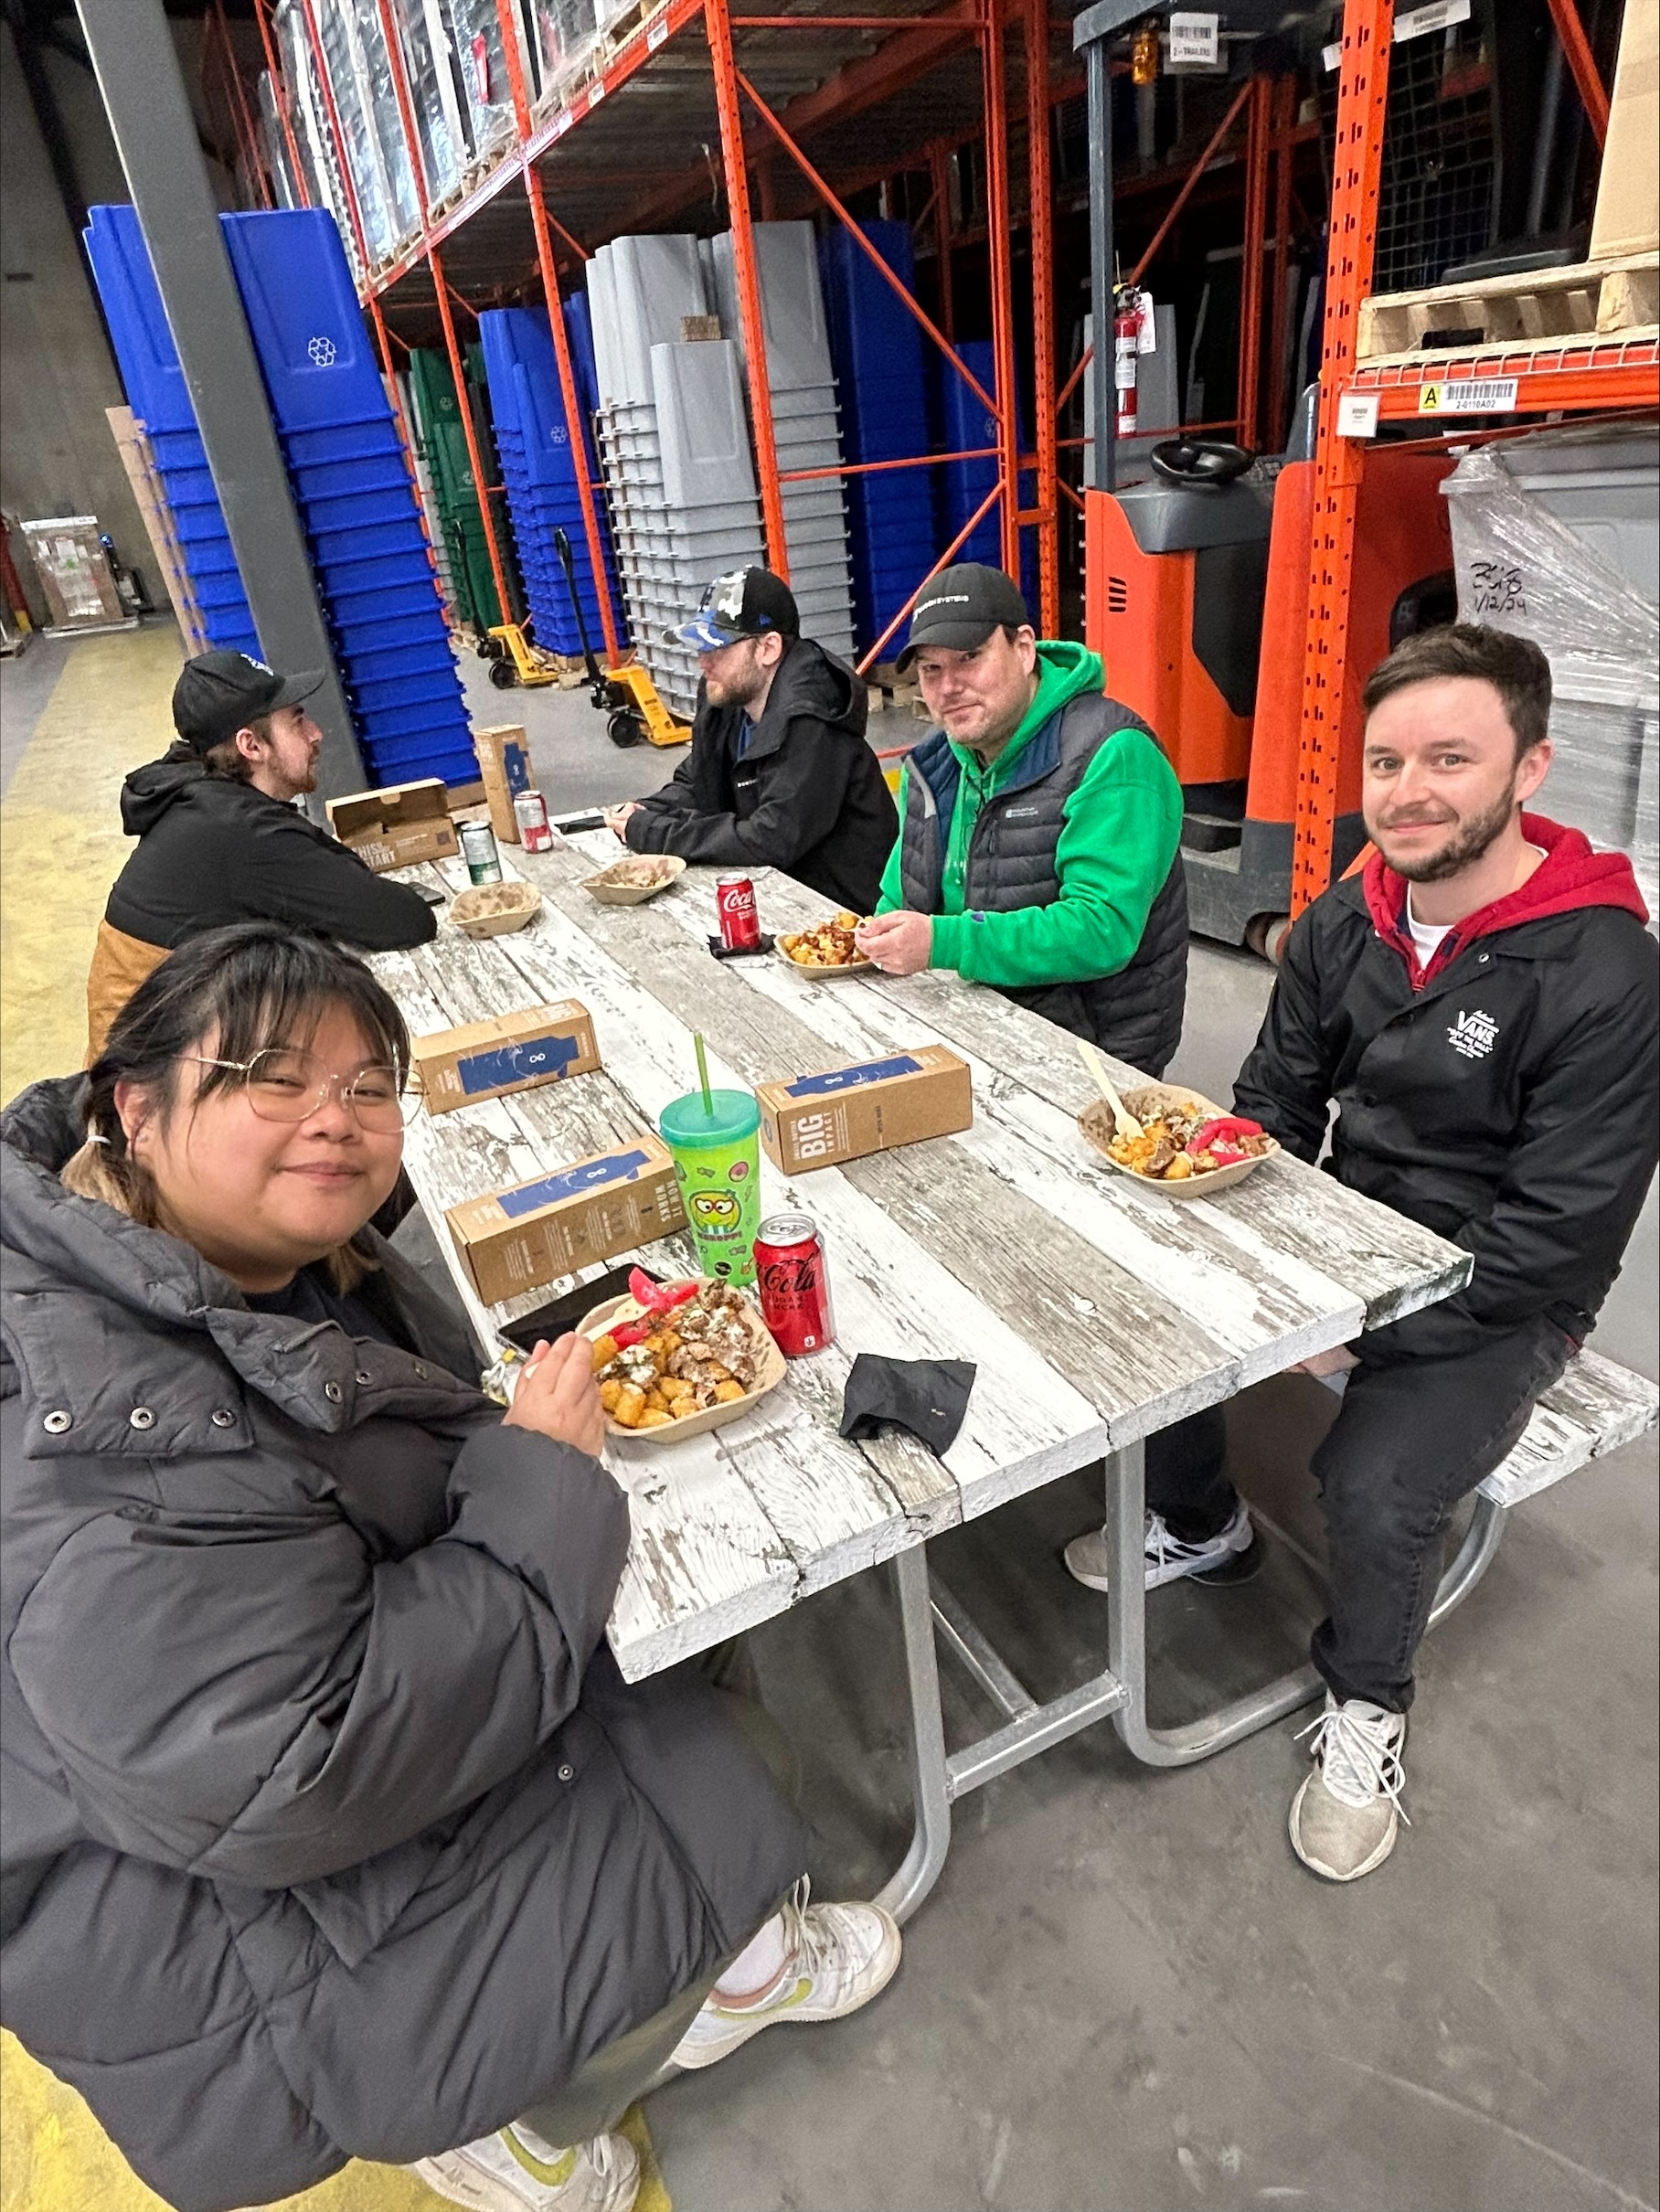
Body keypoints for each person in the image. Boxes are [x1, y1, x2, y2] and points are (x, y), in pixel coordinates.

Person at [1, 924, 902, 2212]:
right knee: (735, 1764)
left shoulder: (195, 1264)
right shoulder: (102, 1447)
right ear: (132, 1107)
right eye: (271, 1076)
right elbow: (305, 1769)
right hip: (247, 1952)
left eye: (369, 1087)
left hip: (235, 1791)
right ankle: (528, 2135)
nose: (337, 1120)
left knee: (677, 1625)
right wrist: (535, 1478)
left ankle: (722, 1965)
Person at [1063, 624, 1659, 1883]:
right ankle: (1203, 1520)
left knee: (1375, 1486)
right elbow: (1278, 1094)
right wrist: (1234, 1209)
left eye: (1451, 757)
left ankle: (1370, 1706)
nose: (1409, 791)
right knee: (1147, 1309)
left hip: (1510, 1294)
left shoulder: (1603, 968)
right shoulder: (1354, 912)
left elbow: (1559, 1234)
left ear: (1530, 769)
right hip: (1350, 1228)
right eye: (1387, 761)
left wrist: (1369, 1324)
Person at [854, 564, 1189, 1074]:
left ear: (1024, 648)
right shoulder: (937, 762)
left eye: (969, 658)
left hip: (1088, 1053)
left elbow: (1102, 928)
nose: (949, 687)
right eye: (931, 669)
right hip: (971, 1021)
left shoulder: (1111, 756)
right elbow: (900, 892)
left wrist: (945, 942)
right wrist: (879, 936)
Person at [84, 649, 437, 1061]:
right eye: (298, 720)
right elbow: (403, 921)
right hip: (145, 1093)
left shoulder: (210, 800)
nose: (316, 733)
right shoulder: (237, 828)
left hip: (168, 1047)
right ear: (251, 745)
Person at [603, 568, 898, 915]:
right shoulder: (729, 698)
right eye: (701, 646)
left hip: (845, 916)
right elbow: (699, 778)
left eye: (718, 647)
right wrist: (646, 810)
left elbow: (771, 838)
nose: (703, 661)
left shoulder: (811, 720)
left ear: (768, 648)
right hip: (783, 893)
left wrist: (654, 833)